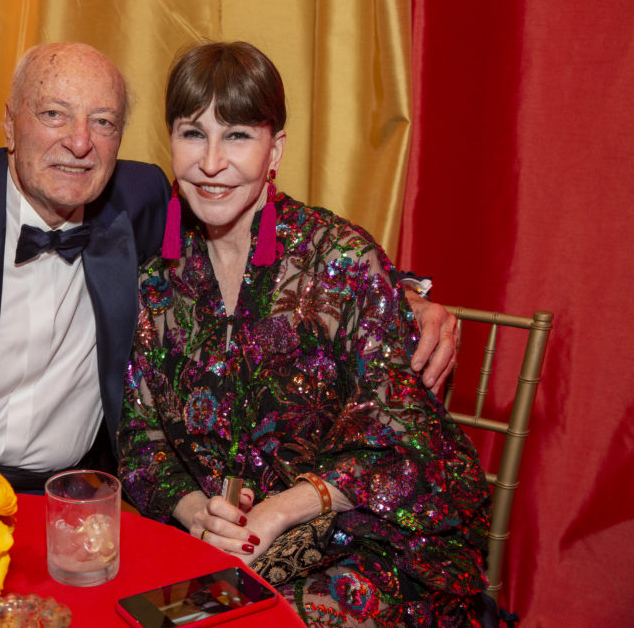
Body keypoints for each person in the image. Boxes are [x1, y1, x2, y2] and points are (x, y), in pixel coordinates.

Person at [0, 42, 458, 521]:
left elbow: (257, 214)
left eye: (103, 121)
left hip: (69, 507)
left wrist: (405, 296)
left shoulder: (137, 201)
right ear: (9, 124)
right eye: (54, 114)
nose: (79, 142)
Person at [118, 41, 489, 626]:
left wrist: (277, 513)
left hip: (357, 542)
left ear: (275, 149)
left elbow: (403, 440)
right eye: (193, 133)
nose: (211, 162)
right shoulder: (157, 278)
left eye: (238, 135)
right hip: (216, 552)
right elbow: (141, 440)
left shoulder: (340, 259)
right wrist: (195, 512)